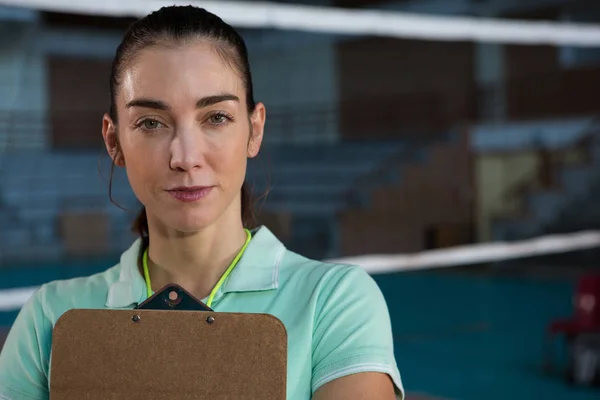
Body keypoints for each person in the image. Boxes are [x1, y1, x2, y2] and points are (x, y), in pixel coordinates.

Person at [0, 6, 403, 399]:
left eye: (216, 117)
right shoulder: (49, 317)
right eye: (151, 123)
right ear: (113, 141)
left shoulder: (334, 303)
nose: (185, 156)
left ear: (254, 129)